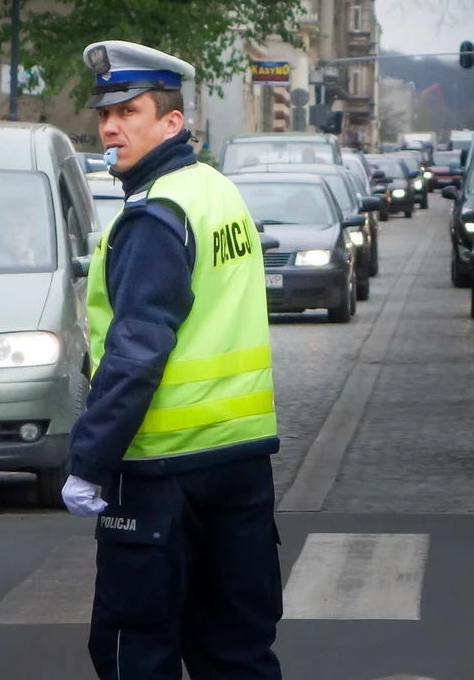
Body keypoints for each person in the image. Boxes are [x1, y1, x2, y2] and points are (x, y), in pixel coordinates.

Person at [61, 40, 283, 680]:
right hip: (240, 460)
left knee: (136, 650)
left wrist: (90, 459)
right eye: (105, 114)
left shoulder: (155, 212)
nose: (109, 127)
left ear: (171, 123)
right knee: (236, 652)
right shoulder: (216, 191)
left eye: (129, 111)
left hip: (162, 470)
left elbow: (136, 348)